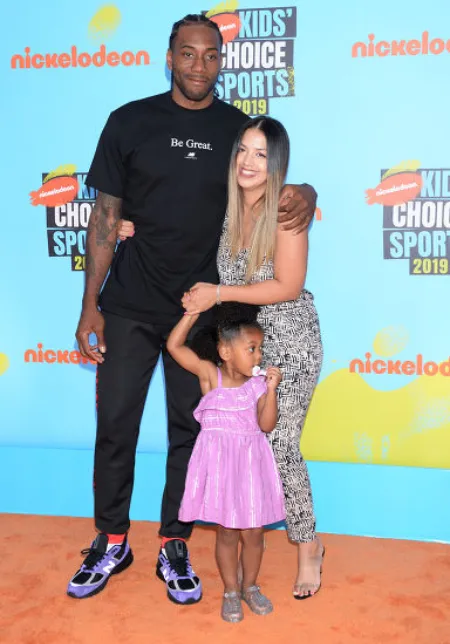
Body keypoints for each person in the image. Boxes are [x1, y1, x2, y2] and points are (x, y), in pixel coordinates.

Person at [69, 12, 316, 604]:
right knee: (116, 427)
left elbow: (273, 177)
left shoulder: (237, 130)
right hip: (128, 302)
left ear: (221, 61)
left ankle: (174, 541)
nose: (199, 65)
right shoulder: (128, 122)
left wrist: (307, 192)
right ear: (170, 56)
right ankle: (112, 538)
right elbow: (105, 219)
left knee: (192, 431)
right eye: (188, 53)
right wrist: (90, 306)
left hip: (203, 313)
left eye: (210, 55)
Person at [181, 116, 325, 599]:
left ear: (276, 163)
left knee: (280, 443)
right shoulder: (228, 210)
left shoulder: (285, 209)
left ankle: (308, 548)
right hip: (249, 347)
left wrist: (218, 292)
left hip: (293, 341)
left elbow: (288, 285)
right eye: (243, 149)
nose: (248, 161)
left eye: (261, 154)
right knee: (251, 444)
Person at [167, 303, 284, 622]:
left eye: (260, 349)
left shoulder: (259, 385)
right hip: (220, 467)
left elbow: (266, 425)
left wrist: (271, 391)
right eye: (251, 348)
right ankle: (231, 591)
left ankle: (250, 586)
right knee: (227, 532)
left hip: (250, 466)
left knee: (254, 531)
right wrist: (191, 313)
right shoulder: (210, 376)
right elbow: (174, 346)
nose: (259, 356)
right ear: (225, 350)